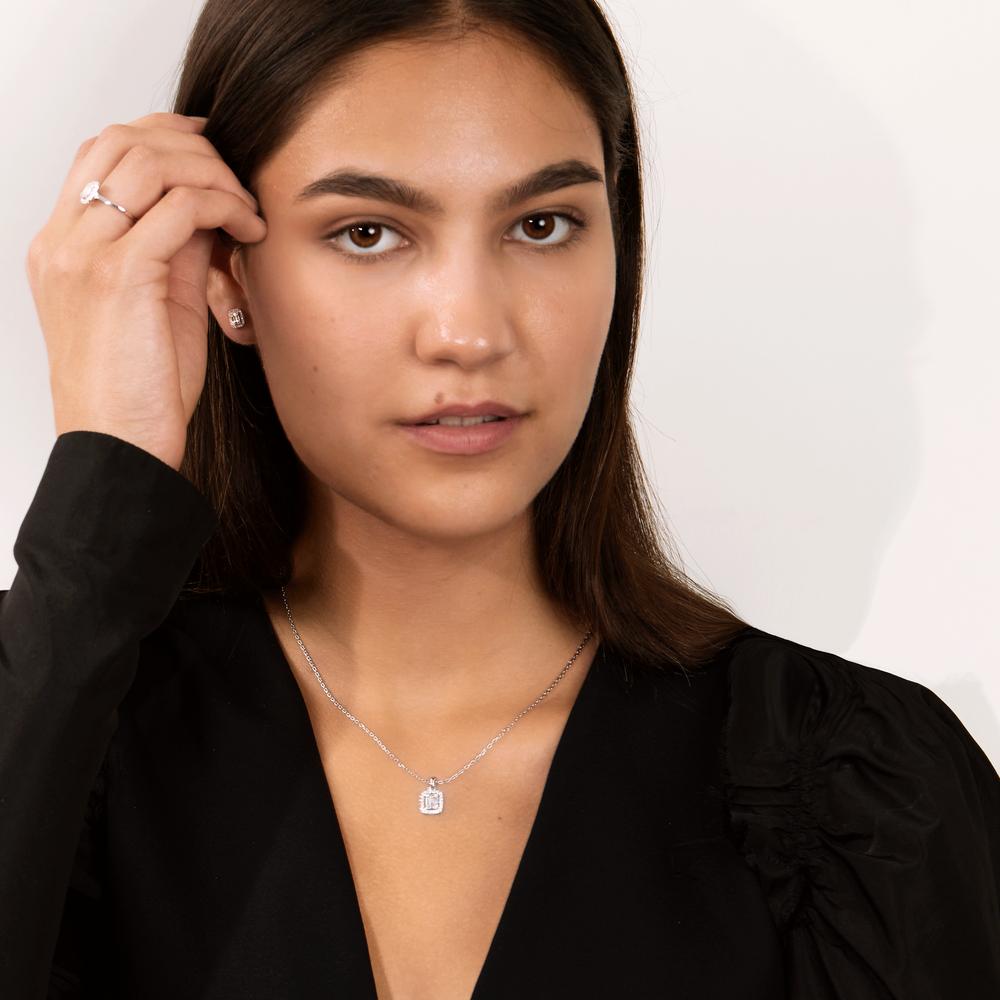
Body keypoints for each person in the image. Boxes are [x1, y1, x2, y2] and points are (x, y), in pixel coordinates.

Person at [1, 1, 997, 998]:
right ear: (229, 277)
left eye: (541, 225)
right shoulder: (61, 738)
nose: (469, 333)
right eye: (367, 233)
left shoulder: (861, 788)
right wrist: (108, 462)